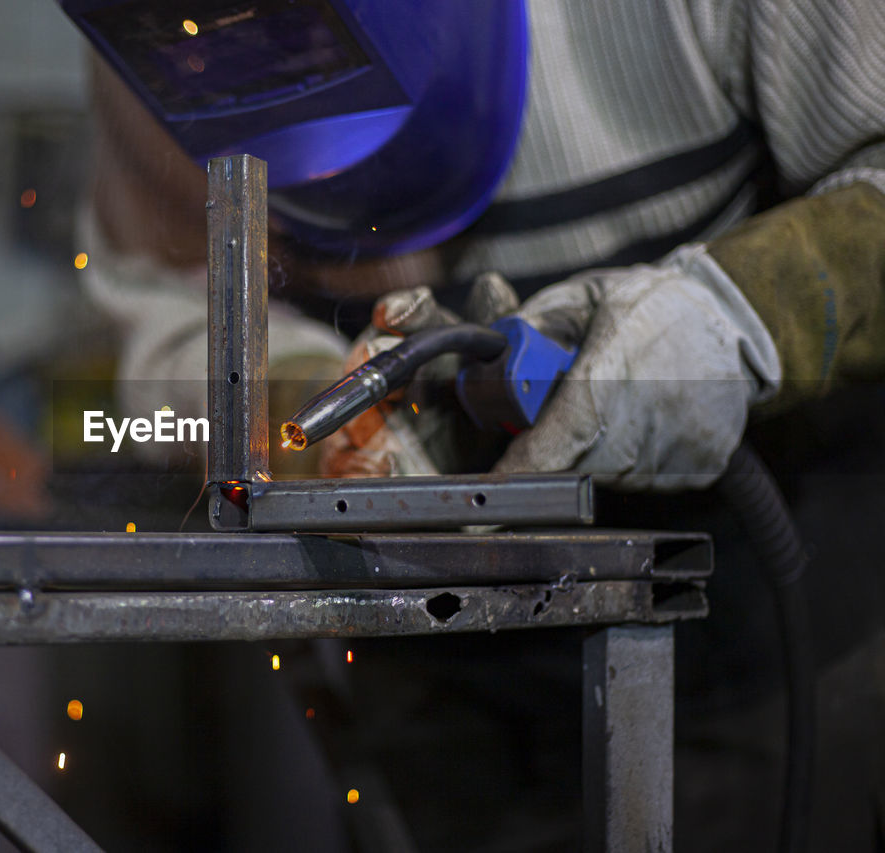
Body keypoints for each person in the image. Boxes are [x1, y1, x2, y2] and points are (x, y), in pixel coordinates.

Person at [71, 1, 885, 848]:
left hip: (776, 647)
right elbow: (158, 302)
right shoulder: (168, 25)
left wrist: (746, 310)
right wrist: (301, 397)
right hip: (429, 681)